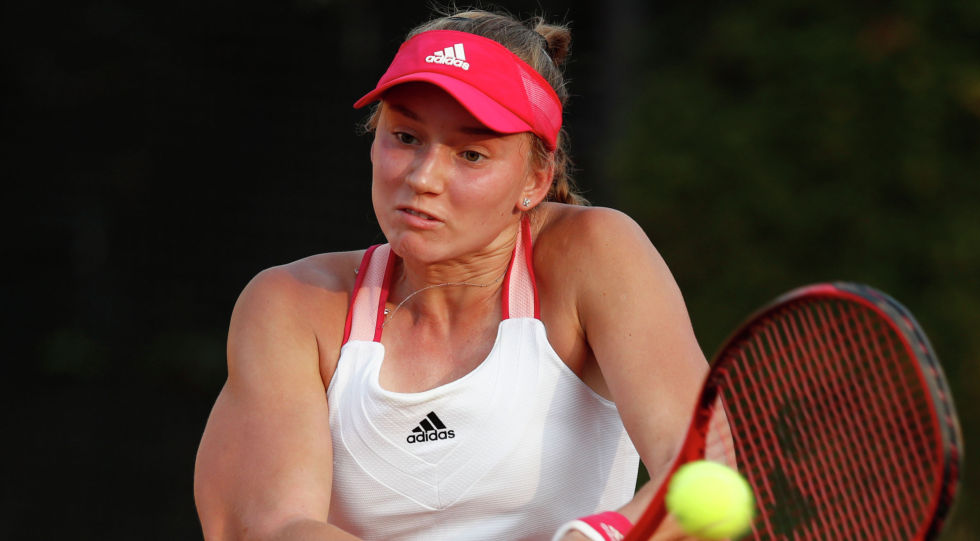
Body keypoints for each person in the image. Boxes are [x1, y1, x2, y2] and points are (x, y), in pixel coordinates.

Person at [194, 8, 708, 541]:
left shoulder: (596, 251)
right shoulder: (288, 304)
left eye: (471, 154)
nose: (424, 177)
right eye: (405, 137)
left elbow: (703, 465)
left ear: (535, 179)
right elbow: (268, 526)